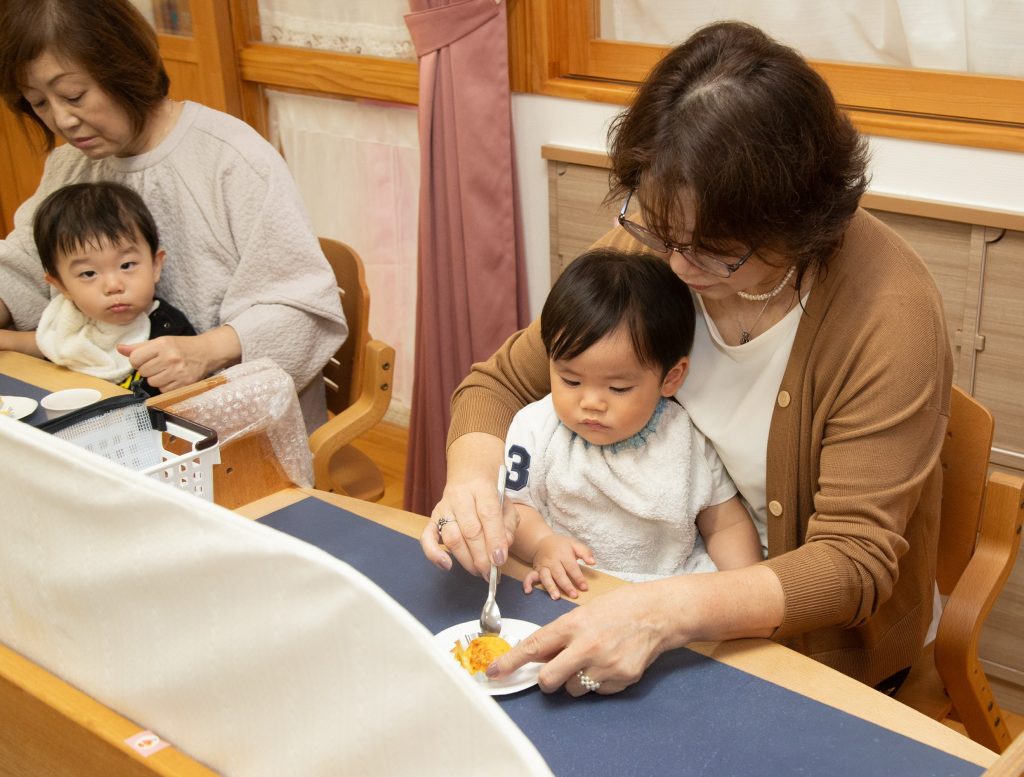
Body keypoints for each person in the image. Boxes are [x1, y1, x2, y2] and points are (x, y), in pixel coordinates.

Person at [421, 20, 952, 698]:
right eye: (659, 230)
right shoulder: (667, 241)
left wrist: (659, 612)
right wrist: (472, 482)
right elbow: (500, 383)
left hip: (806, 648)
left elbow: (850, 564)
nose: (674, 265)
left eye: (712, 251)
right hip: (640, 601)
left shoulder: (888, 314)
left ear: (797, 224)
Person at [0, 0, 346, 427]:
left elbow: (303, 310)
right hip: (113, 417)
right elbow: (22, 268)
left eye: (74, 96)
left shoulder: (231, 159)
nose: (62, 120)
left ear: (123, 66)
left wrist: (203, 351)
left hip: (235, 427)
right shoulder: (70, 166)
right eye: (39, 103)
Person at [500, 249, 762, 599]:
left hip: (669, 596)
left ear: (671, 378)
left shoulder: (683, 438)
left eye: (618, 388)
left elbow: (725, 524)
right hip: (571, 587)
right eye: (571, 381)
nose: (591, 402)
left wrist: (743, 590)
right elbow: (513, 507)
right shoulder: (536, 428)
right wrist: (541, 545)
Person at [22, 181, 194, 396]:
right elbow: (41, 343)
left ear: (155, 266)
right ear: (61, 286)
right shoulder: (66, 324)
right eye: (88, 273)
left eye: (127, 265)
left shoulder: (171, 332)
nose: (113, 286)